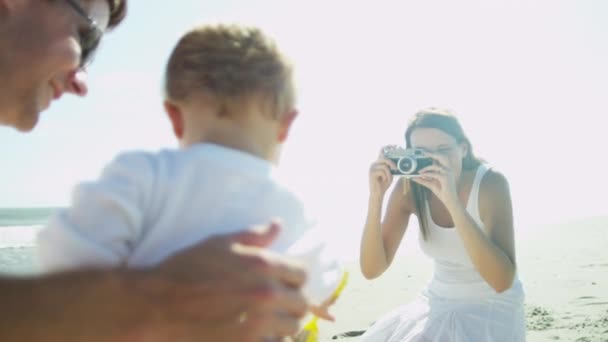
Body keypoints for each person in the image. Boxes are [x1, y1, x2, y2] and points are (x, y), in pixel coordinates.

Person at [0, 1, 309, 341]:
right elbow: (312, 278)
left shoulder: (141, 176)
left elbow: (64, 254)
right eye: (85, 39)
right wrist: (147, 303)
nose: (82, 83)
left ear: (175, 116)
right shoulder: (291, 205)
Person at [359, 108, 526, 341]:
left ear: (463, 148)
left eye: (443, 150)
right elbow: (372, 269)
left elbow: (502, 281)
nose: (433, 160)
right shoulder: (408, 190)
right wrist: (376, 197)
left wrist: (452, 201)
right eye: (422, 153)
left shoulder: (490, 184)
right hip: (438, 298)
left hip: (491, 303)